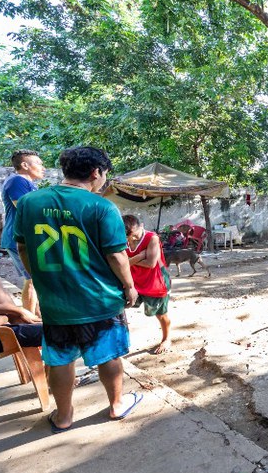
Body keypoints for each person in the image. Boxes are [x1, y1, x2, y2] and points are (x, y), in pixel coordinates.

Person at [14, 146, 141, 433]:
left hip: (56, 303)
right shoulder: (102, 206)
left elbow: (22, 246)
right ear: (96, 172)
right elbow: (117, 255)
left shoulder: (29, 202)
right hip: (99, 300)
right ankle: (117, 406)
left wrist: (41, 275)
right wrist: (130, 286)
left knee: (60, 358)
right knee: (109, 355)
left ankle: (63, 417)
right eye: (104, 174)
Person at [1, 149, 45, 316]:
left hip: (26, 238)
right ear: (25, 165)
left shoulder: (29, 184)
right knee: (32, 280)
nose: (43, 167)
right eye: (39, 163)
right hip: (17, 237)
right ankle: (28, 318)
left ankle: (37, 316)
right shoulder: (17, 181)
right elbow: (24, 208)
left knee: (35, 279)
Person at [122, 215, 172, 354]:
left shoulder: (152, 238)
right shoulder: (120, 238)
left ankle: (166, 338)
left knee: (161, 314)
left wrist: (127, 260)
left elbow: (150, 263)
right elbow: (116, 261)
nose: (133, 239)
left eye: (135, 235)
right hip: (133, 280)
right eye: (130, 237)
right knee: (119, 307)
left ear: (142, 226)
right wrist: (139, 256)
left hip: (155, 281)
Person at [0, 274, 42, 356]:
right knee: (58, 332)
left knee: (52, 330)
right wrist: (5, 317)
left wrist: (20, 312)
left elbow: (17, 320)